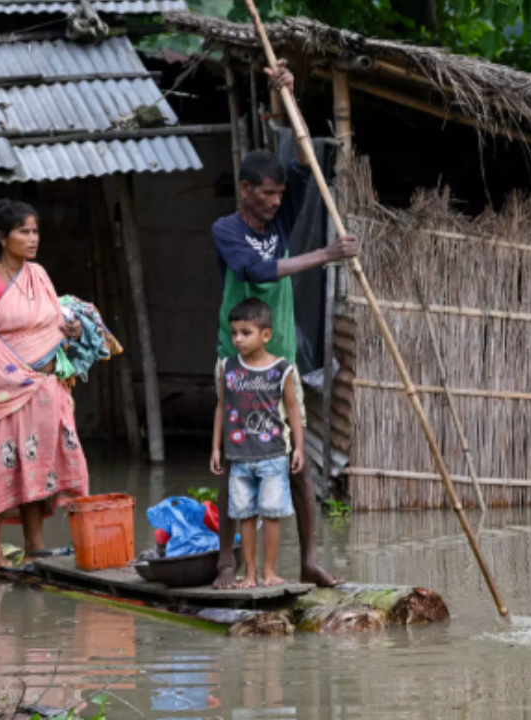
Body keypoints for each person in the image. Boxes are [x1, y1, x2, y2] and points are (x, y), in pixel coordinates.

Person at [210, 59, 359, 589]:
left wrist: (289, 94)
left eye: (279, 194)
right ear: (247, 189)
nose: (276, 202)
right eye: (266, 194)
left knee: (297, 459)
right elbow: (255, 270)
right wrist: (325, 255)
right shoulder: (227, 229)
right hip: (239, 359)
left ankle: (309, 560)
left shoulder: (281, 216)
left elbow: (303, 163)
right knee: (236, 455)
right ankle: (229, 561)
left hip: (282, 361)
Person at [0, 199, 88, 570]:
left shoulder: (39, 274)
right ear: (3, 237)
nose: (32, 238)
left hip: (45, 387)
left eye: (35, 231)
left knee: (33, 465)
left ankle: (35, 546)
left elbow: (53, 321)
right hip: (1, 391)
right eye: (24, 231)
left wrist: (74, 329)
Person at [210, 298, 303, 588]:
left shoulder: (281, 369)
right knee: (245, 516)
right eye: (234, 333)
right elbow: (221, 408)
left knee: (271, 515)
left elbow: (292, 409)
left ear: (266, 335)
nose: (238, 339)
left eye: (245, 332)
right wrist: (216, 448)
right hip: (238, 457)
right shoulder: (229, 367)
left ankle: (269, 572)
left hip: (273, 454)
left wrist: (298, 447)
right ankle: (249, 574)